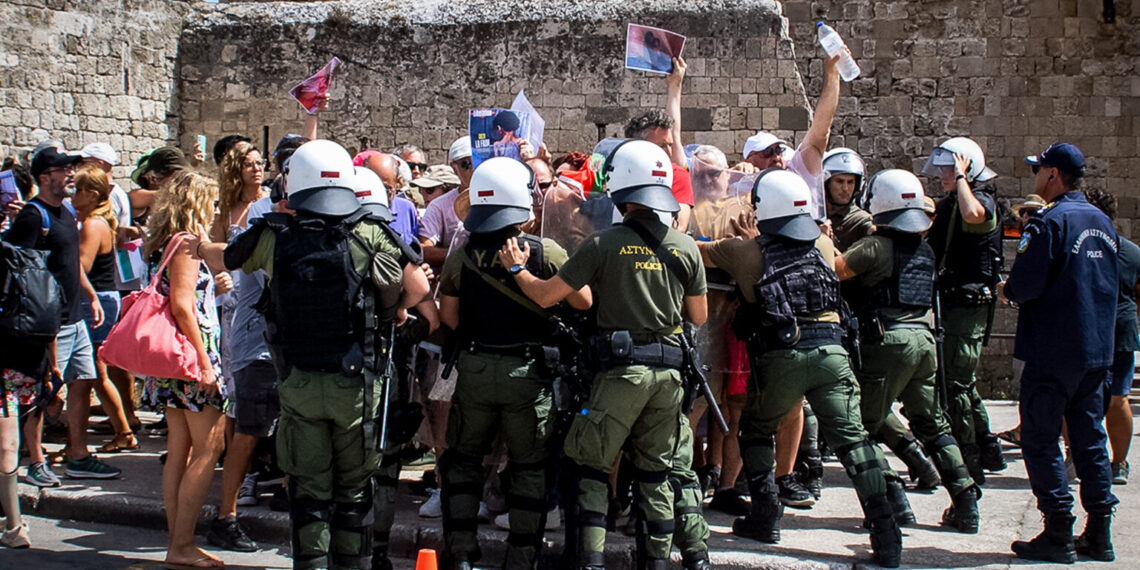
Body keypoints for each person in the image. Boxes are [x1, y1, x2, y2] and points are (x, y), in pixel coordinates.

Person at [209, 139, 431, 569]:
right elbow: (417, 286)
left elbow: (231, 257)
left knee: (310, 493)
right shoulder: (369, 233)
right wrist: (395, 310)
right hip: (358, 386)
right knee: (354, 492)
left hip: (298, 383)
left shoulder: (273, 234)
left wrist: (199, 248)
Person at [500, 140, 709, 570]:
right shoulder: (685, 247)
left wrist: (517, 269)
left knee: (591, 465)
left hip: (620, 374)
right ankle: (657, 562)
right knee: (656, 473)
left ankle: (590, 562)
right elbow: (699, 316)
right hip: (669, 376)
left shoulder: (603, 244)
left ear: (620, 189)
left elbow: (545, 296)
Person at [698, 168, 901, 568]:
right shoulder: (825, 244)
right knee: (853, 442)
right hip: (832, 353)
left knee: (756, 431)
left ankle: (765, 516)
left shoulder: (742, 251)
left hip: (781, 357)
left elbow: (695, 251)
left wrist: (744, 239)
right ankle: (887, 533)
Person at [435, 157, 588, 570]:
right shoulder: (545, 251)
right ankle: (522, 558)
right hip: (530, 374)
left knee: (464, 463)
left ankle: (463, 554)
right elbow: (583, 301)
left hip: (477, 369)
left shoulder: (462, 256)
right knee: (530, 469)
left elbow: (448, 316)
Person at [834, 169, 980, 533]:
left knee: (862, 426)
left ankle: (891, 500)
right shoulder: (925, 251)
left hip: (888, 343)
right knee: (932, 423)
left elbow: (835, 270)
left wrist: (825, 240)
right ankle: (965, 500)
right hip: (924, 341)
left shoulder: (873, 246)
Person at [1000, 143, 1119, 563]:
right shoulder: (1102, 222)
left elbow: (1026, 285)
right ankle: (1100, 532)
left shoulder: (1049, 223)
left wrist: (1006, 292)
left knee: (1041, 438)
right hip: (1096, 350)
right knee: (1089, 442)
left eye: (1039, 170)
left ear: (1052, 175)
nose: (1035, 177)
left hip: (1053, 349)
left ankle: (1057, 530)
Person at [7, 144, 121, 483]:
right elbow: (16, 262)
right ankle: (35, 461)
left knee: (82, 382)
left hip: (75, 317)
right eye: (63, 169)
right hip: (49, 322)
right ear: (45, 177)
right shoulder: (33, 215)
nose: (71, 173)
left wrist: (90, 295)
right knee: (42, 393)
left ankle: (78, 454)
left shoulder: (67, 212)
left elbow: (71, 261)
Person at [143, 170, 228, 568]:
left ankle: (177, 539)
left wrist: (216, 285)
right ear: (195, 203)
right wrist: (205, 363)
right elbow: (181, 305)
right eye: (210, 202)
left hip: (170, 361)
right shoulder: (187, 244)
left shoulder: (163, 241)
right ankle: (182, 544)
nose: (214, 210)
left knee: (179, 448)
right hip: (191, 356)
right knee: (210, 446)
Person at [921, 137, 1007, 484]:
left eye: (948, 168)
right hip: (953, 301)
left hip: (967, 305)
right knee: (963, 382)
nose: (942, 174)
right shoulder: (952, 202)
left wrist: (960, 178)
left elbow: (974, 214)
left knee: (954, 384)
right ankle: (988, 448)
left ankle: (968, 460)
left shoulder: (980, 199)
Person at [207, 140, 269, 553]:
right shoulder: (231, 214)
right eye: (248, 165)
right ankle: (225, 514)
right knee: (245, 421)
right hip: (246, 327)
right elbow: (209, 251)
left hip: (275, 333)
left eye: (260, 164)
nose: (257, 170)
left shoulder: (270, 208)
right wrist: (219, 274)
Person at [72, 164, 136, 455]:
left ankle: (124, 430)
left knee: (96, 373)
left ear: (92, 194)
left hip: (94, 300)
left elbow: (80, 269)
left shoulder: (93, 225)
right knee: (94, 373)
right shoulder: (97, 222)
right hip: (102, 297)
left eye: (77, 190)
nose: (72, 196)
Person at [1082, 188, 1137, 486]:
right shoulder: (1125, 250)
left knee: (1113, 399)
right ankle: (1101, 460)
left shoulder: (1126, 252)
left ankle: (1114, 461)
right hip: (1101, 330)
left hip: (1109, 332)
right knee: (1104, 398)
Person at [420, 137, 474, 270]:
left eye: (480, 161)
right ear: (454, 168)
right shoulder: (439, 206)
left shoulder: (506, 197)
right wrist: (465, 255)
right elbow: (425, 250)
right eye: (467, 164)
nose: (474, 169)